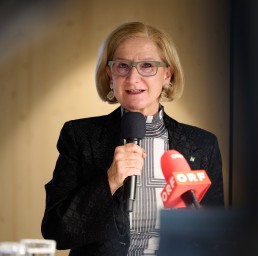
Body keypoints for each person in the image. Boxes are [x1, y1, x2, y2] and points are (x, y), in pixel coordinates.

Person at [41, 21, 224, 256]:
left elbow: (217, 240)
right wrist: (110, 180)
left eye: (147, 66)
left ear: (167, 75)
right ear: (110, 75)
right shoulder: (79, 136)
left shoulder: (202, 145)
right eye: (122, 66)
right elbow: (56, 232)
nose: (133, 78)